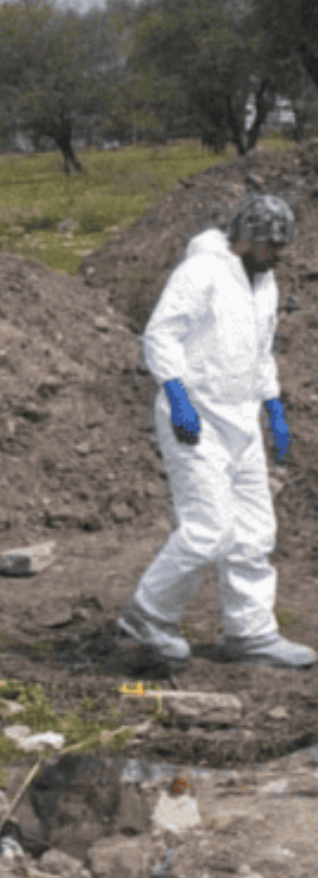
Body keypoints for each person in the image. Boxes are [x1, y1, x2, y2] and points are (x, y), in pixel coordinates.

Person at [120, 194, 312, 670]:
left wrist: (273, 406)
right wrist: (177, 395)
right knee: (208, 527)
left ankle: (251, 633)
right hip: (196, 418)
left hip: (241, 419)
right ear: (244, 236)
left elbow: (261, 350)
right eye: (271, 244)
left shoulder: (264, 283)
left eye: (283, 245)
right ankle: (148, 614)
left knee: (254, 529)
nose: (279, 254)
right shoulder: (201, 272)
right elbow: (161, 334)